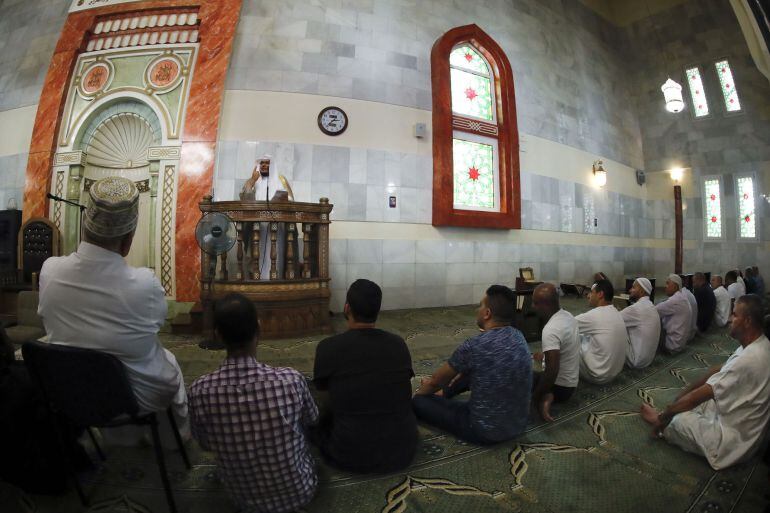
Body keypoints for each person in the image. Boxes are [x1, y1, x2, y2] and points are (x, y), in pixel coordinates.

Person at [38, 177, 189, 442]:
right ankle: (174, 440)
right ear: (129, 239)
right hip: (132, 397)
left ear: (85, 227)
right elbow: (158, 322)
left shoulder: (49, 270)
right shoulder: (145, 285)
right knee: (168, 361)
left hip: (69, 391)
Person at [190, 294, 318, 513]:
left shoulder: (199, 391)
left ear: (218, 335)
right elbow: (311, 421)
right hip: (300, 491)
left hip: (242, 499)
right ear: (259, 328)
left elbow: (206, 444)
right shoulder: (291, 380)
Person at [640, 295, 770, 470]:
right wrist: (682, 395)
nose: (731, 319)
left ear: (747, 321)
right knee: (693, 402)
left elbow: (695, 398)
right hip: (746, 427)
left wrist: (663, 417)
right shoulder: (760, 344)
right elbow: (716, 370)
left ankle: (664, 428)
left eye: (734, 315)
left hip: (733, 442)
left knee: (679, 420)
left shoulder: (748, 359)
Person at [313, 279, 417, 472]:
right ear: (377, 310)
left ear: (346, 308)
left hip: (347, 453)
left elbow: (325, 400)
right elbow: (403, 391)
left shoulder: (328, 348)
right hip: (401, 450)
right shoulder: (398, 344)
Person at [413, 285, 531, 443]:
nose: (478, 309)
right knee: (471, 371)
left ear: (487, 313)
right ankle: (444, 395)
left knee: (419, 402)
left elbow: (436, 381)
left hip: (482, 430)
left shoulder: (474, 345)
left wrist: (421, 392)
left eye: (480, 306)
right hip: (518, 424)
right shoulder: (519, 336)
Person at [531, 283, 580, 422]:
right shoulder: (568, 316)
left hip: (558, 386)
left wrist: (535, 397)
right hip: (571, 385)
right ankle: (549, 397)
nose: (533, 307)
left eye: (536, 303)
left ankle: (545, 397)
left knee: (523, 375)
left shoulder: (551, 329)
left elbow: (552, 371)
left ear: (545, 304)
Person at [575, 280, 628, 384]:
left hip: (598, 375)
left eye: (592, 292)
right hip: (614, 372)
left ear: (600, 294)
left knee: (569, 338)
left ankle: (546, 363)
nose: (588, 295)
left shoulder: (594, 315)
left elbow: (566, 324)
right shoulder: (616, 312)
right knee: (583, 335)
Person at [620, 277, 660, 369]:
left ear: (642, 291)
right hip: (648, 359)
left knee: (611, 327)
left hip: (636, 360)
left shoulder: (636, 308)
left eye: (633, 287)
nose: (630, 290)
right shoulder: (651, 305)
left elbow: (613, 319)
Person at [655, 274, 692, 353]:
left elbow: (654, 311)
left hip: (671, 344)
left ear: (675, 286)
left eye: (668, 283)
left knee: (649, 319)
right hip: (680, 343)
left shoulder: (675, 300)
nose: (665, 286)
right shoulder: (682, 297)